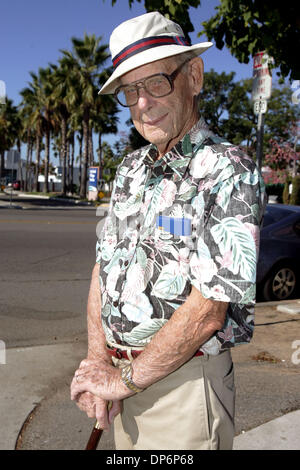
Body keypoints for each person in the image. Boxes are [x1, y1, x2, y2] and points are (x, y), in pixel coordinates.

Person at [70, 11, 266, 450]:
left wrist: (122, 382)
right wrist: (99, 360)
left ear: (193, 77)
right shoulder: (130, 170)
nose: (143, 102)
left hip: (183, 391)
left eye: (156, 83)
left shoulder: (228, 171)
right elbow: (103, 269)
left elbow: (209, 310)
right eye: (130, 90)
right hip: (123, 387)